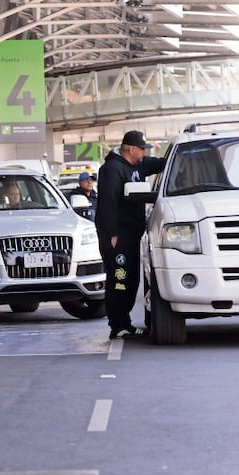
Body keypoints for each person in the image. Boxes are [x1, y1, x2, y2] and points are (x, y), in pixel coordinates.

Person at [95, 130, 167, 340]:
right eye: (142, 149)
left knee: (131, 279)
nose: (144, 153)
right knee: (120, 279)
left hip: (132, 234)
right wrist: (112, 233)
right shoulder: (112, 169)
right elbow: (107, 203)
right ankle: (117, 325)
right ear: (131, 149)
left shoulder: (137, 165)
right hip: (118, 237)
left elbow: (158, 163)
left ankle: (124, 322)